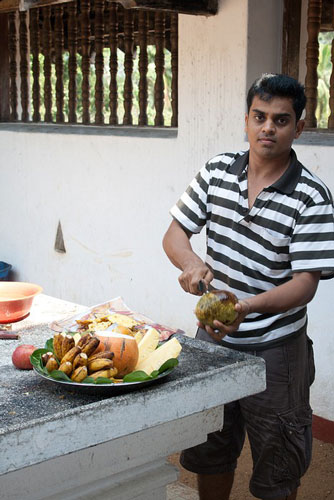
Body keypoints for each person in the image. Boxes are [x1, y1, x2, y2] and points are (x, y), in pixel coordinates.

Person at [162, 73, 334, 500]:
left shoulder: (312, 197)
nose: (267, 128)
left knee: (278, 464)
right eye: (260, 117)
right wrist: (192, 263)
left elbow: (305, 284)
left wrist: (248, 307)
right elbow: (174, 235)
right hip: (213, 340)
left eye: (281, 120)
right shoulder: (217, 170)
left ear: (299, 126)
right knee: (211, 447)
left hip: (276, 354)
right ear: (246, 119)